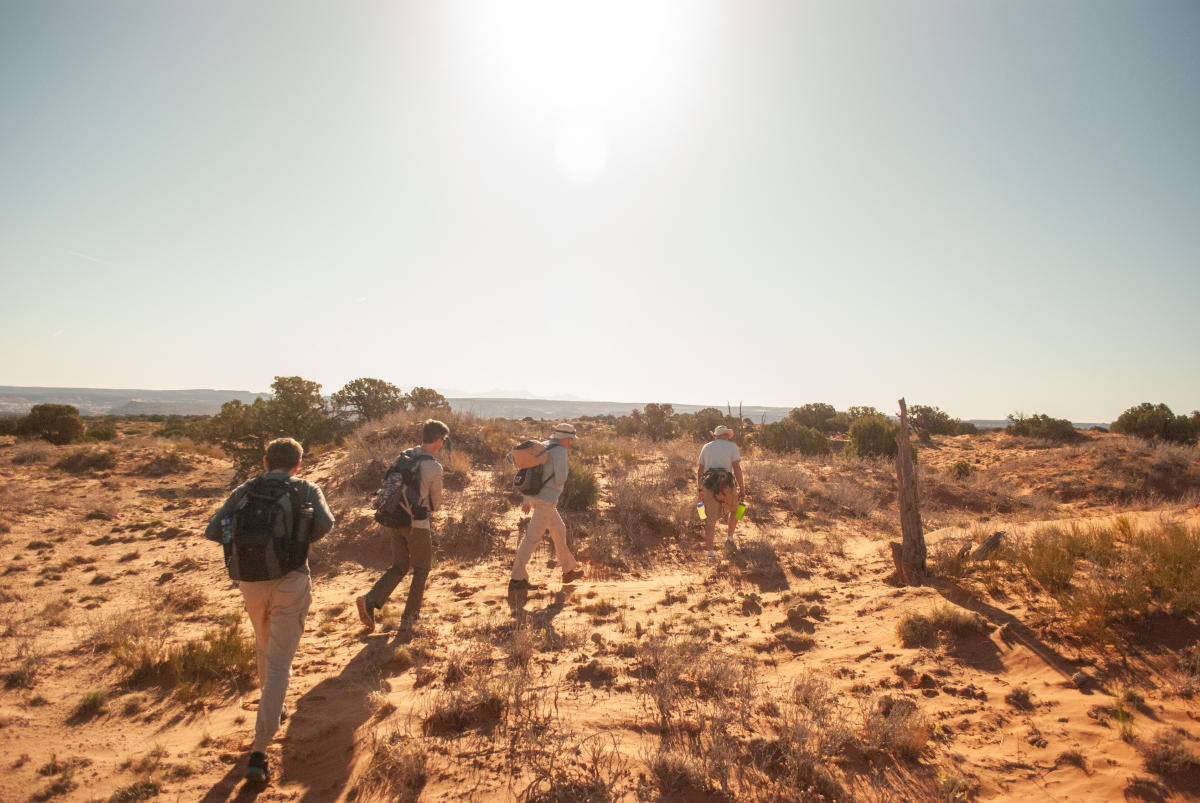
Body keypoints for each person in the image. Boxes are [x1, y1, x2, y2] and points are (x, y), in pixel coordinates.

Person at [204, 437, 335, 784]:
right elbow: (326, 524)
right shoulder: (306, 488)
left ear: (265, 462)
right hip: (291, 579)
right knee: (279, 665)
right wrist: (294, 540)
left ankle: (272, 707)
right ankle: (259, 752)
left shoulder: (245, 490)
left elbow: (213, 530)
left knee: (264, 646)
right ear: (298, 463)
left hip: (250, 581)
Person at [356, 419, 448, 634]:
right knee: (422, 568)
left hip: (394, 518)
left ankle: (370, 601)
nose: (442, 444)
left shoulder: (405, 455)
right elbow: (436, 503)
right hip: (416, 524)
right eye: (442, 440)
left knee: (399, 566)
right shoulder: (434, 467)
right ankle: (410, 618)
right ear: (437, 440)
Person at [509, 422, 584, 593]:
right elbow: (561, 478)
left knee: (559, 529)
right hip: (547, 500)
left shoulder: (542, 446)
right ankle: (517, 579)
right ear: (564, 438)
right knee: (531, 539)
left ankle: (568, 570)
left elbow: (529, 472)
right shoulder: (560, 451)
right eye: (570, 439)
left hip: (537, 498)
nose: (571, 442)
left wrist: (527, 499)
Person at [697, 424, 745, 559]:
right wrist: (742, 488)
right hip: (727, 485)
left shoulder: (706, 447)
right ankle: (729, 538)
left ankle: (710, 553)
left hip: (708, 484)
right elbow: (737, 468)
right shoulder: (732, 446)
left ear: (715, 436)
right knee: (737, 510)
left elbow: (700, 471)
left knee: (710, 520)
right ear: (726, 436)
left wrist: (700, 489)